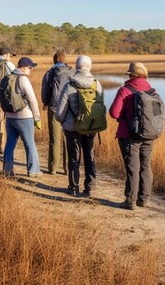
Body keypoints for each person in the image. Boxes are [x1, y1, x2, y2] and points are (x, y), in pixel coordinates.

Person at [109, 62, 157, 210]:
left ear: (131, 75)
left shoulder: (125, 90)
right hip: (148, 134)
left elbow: (114, 113)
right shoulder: (151, 91)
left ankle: (130, 201)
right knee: (145, 165)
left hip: (129, 135)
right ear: (144, 75)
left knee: (132, 168)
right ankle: (144, 199)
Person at [55, 55, 103, 198]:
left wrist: (63, 122)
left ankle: (74, 187)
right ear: (89, 67)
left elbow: (59, 112)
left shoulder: (69, 85)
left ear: (76, 67)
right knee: (89, 155)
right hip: (90, 127)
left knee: (74, 158)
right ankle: (90, 187)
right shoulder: (97, 84)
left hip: (72, 128)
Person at [3, 57, 42, 177]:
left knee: (10, 144)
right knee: (29, 144)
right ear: (24, 68)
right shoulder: (23, 79)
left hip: (9, 117)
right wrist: (37, 118)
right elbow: (33, 100)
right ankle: (33, 170)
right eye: (30, 68)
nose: (31, 70)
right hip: (24, 117)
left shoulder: (7, 78)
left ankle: (7, 171)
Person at [41, 50, 72, 175]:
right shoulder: (71, 72)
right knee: (68, 138)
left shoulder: (49, 74)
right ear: (65, 60)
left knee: (54, 138)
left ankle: (53, 168)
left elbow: (45, 91)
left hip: (53, 108)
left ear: (54, 60)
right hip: (68, 109)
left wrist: (45, 103)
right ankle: (68, 168)